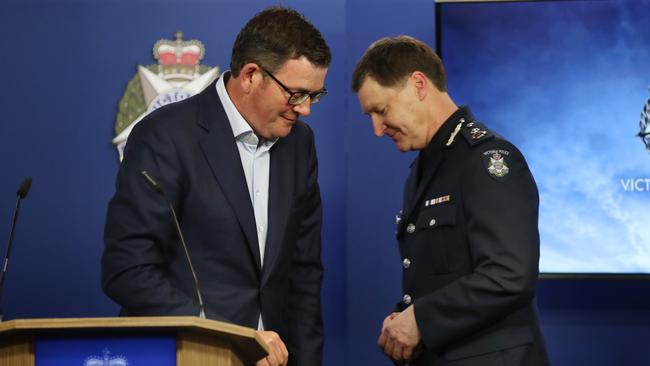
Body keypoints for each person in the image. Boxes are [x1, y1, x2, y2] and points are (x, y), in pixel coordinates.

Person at [102, 7, 330, 366]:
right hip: (186, 356)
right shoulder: (165, 135)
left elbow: (303, 274)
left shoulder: (300, 145)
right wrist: (231, 339)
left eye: (314, 96)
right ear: (251, 75)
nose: (305, 110)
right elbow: (127, 270)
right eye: (297, 94)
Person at [351, 36, 551, 366]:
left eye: (381, 110)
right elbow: (443, 277)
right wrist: (404, 319)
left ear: (418, 84)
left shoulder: (487, 160)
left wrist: (420, 320)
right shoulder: (422, 170)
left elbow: (509, 275)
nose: (376, 128)